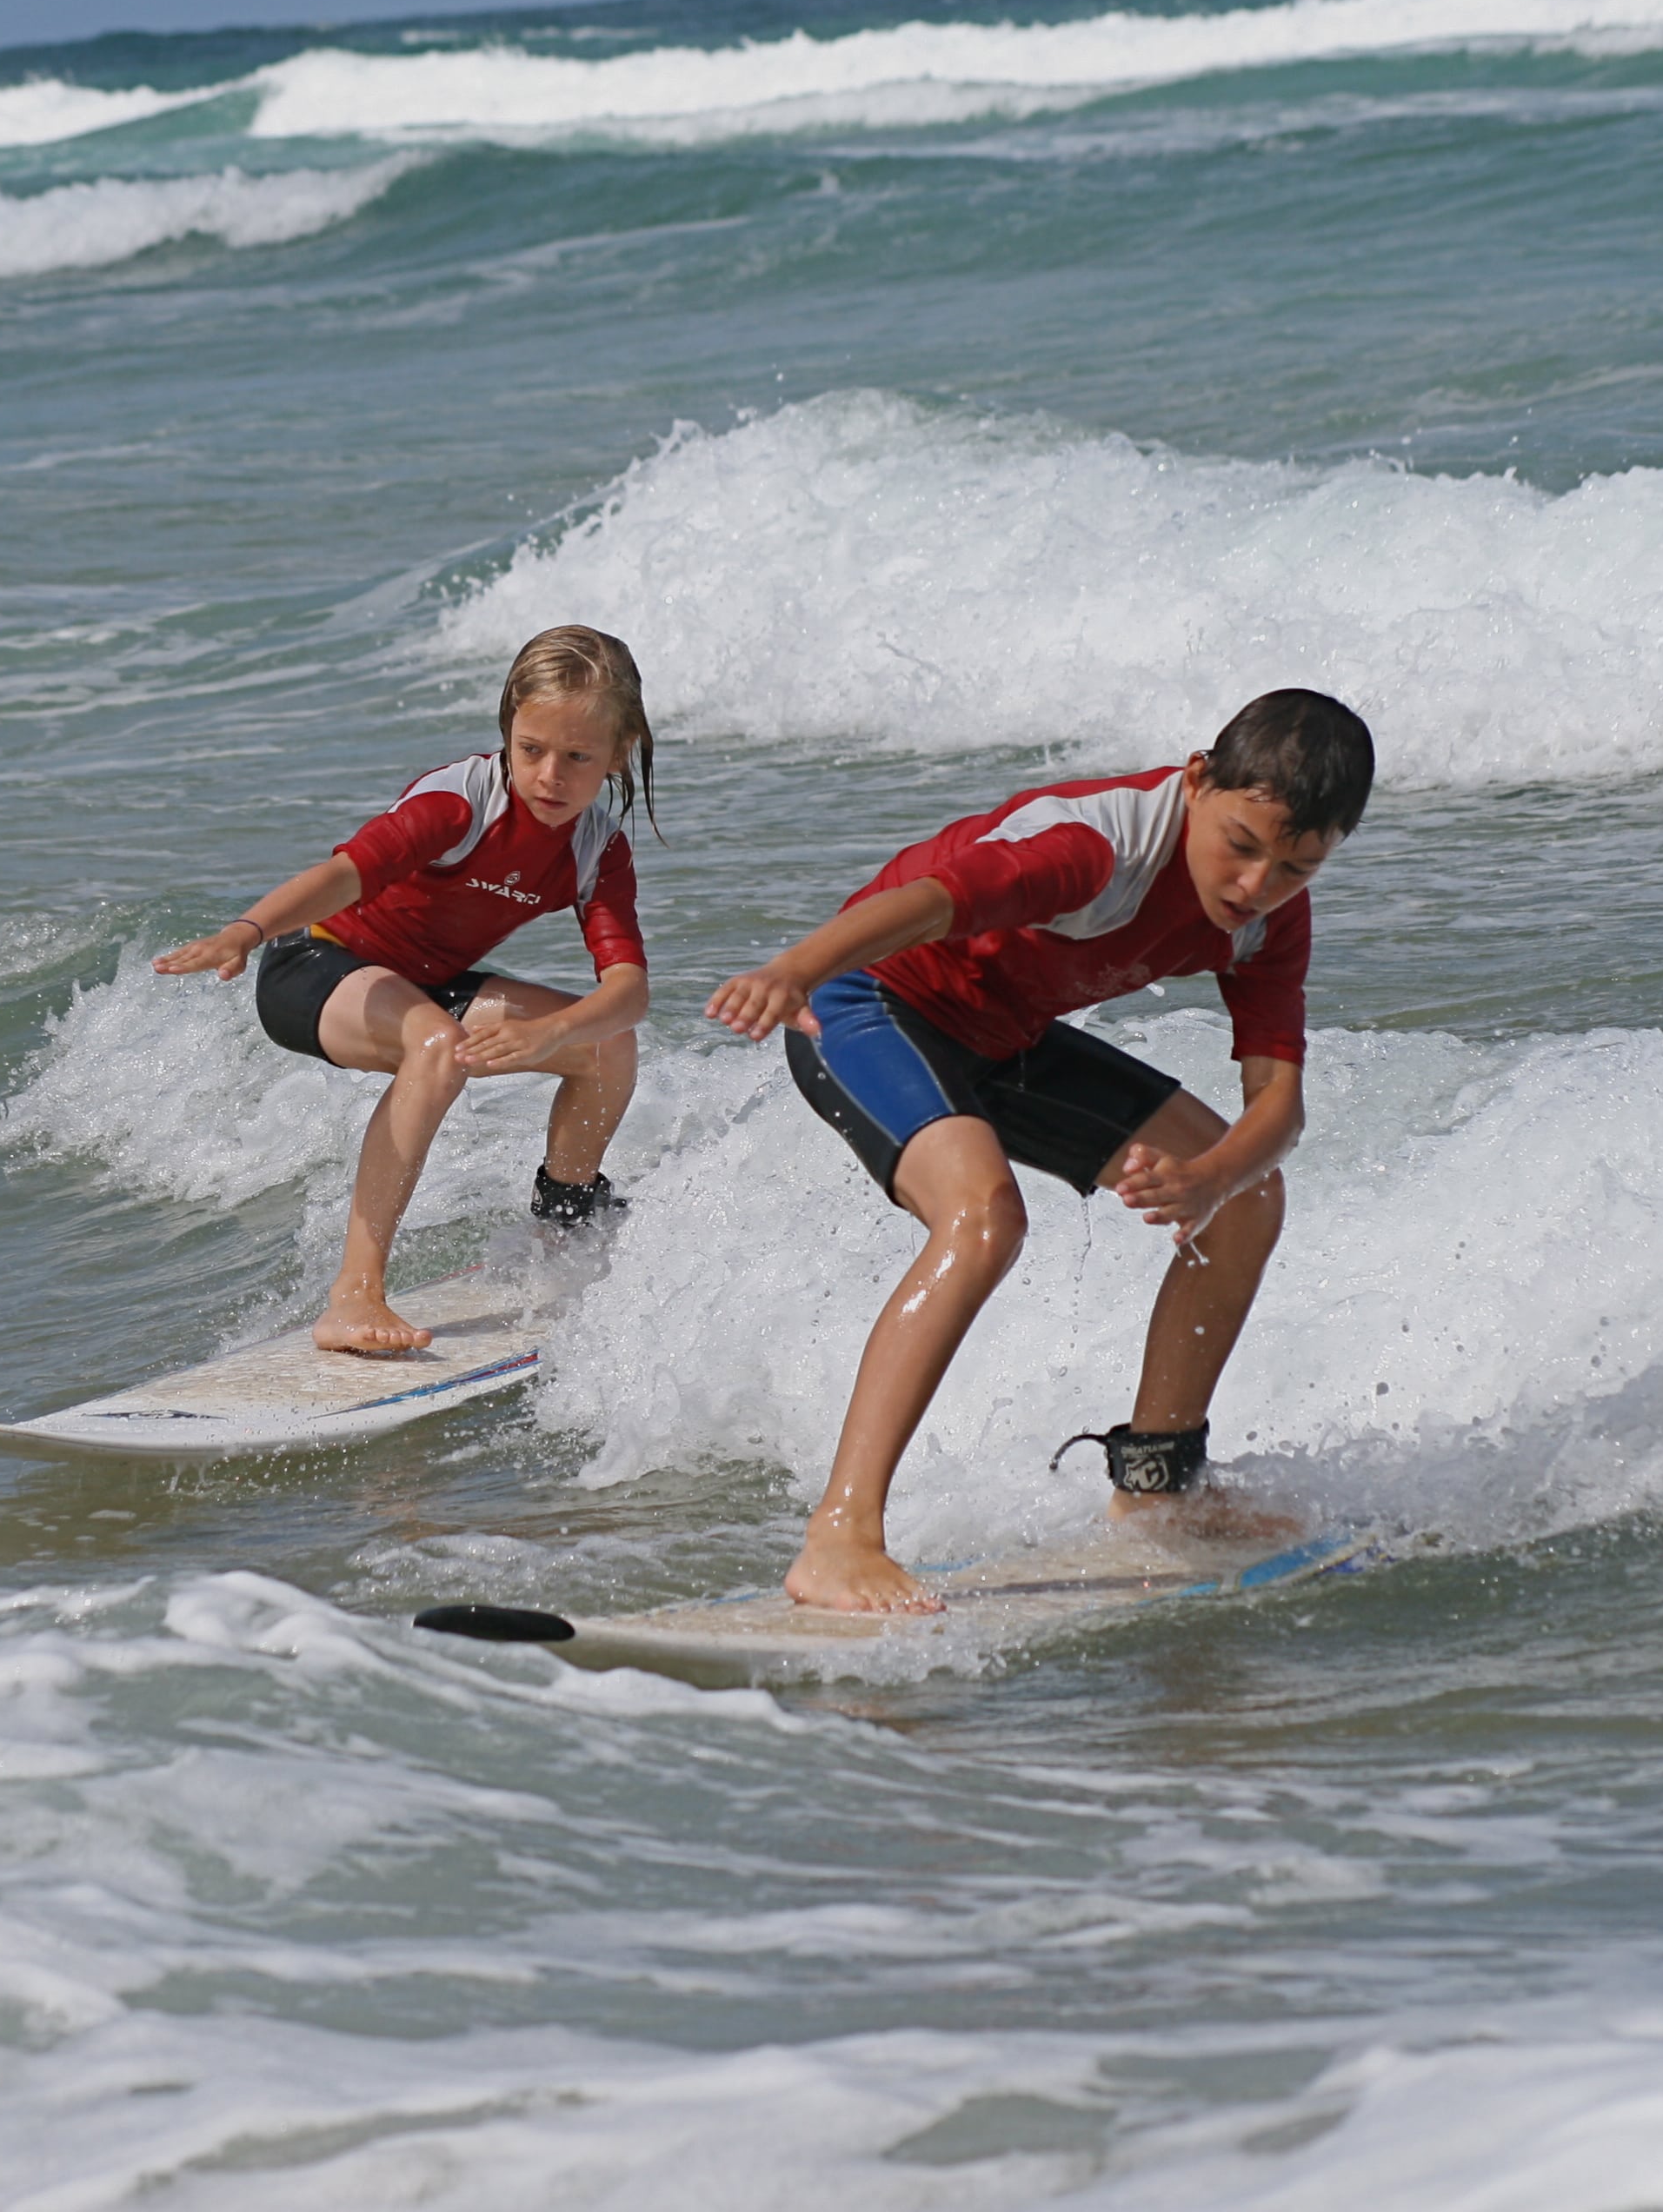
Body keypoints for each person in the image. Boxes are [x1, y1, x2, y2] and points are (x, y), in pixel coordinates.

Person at [704, 688, 1374, 1611]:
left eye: (1296, 869)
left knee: (1252, 1195)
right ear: (1194, 783)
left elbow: (1280, 1106)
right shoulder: (1097, 850)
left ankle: (1156, 1488)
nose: (1256, 885)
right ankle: (839, 1537)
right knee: (983, 1219)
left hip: (1001, 1036)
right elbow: (933, 900)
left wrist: (1211, 1178)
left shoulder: (1267, 925)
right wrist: (796, 969)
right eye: (1242, 844)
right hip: (861, 1004)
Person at [156, 625, 655, 1354]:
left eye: (578, 758)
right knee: (437, 1044)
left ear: (619, 753)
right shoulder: (459, 806)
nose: (549, 776)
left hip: (429, 984)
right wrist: (248, 929)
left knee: (605, 1040)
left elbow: (629, 990)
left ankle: (564, 1227)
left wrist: (555, 1032)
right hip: (315, 966)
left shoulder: (596, 847)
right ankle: (353, 1297)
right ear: (507, 733)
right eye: (532, 750)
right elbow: (342, 875)